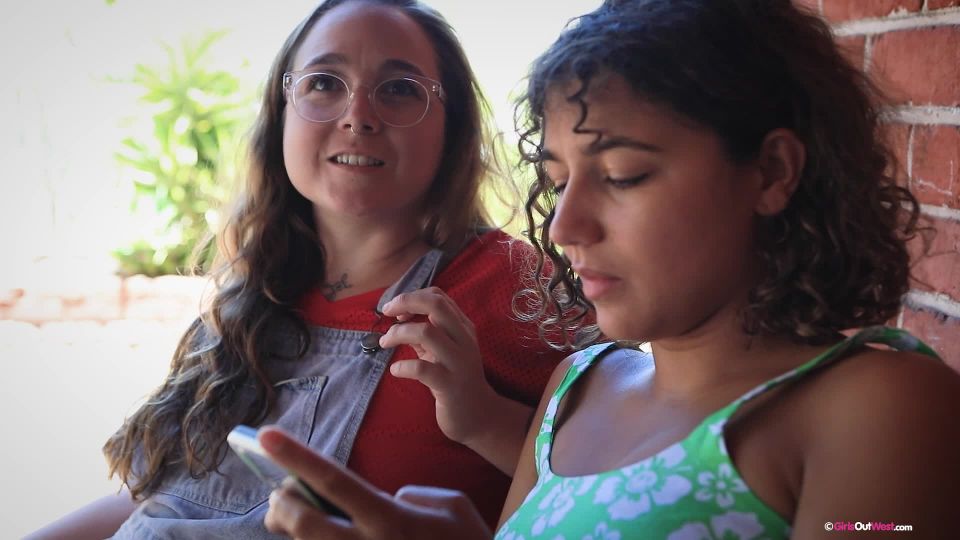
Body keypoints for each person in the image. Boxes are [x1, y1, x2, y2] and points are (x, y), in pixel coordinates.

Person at [255, 0, 960, 538]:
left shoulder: (879, 405)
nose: (564, 228)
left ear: (771, 171)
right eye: (559, 182)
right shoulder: (576, 388)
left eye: (622, 175)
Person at [26, 1, 578, 538]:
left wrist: (483, 419)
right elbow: (162, 500)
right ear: (280, 112)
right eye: (324, 83)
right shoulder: (253, 289)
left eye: (400, 90)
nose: (358, 117)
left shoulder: (517, 287)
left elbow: (611, 490)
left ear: (452, 127)